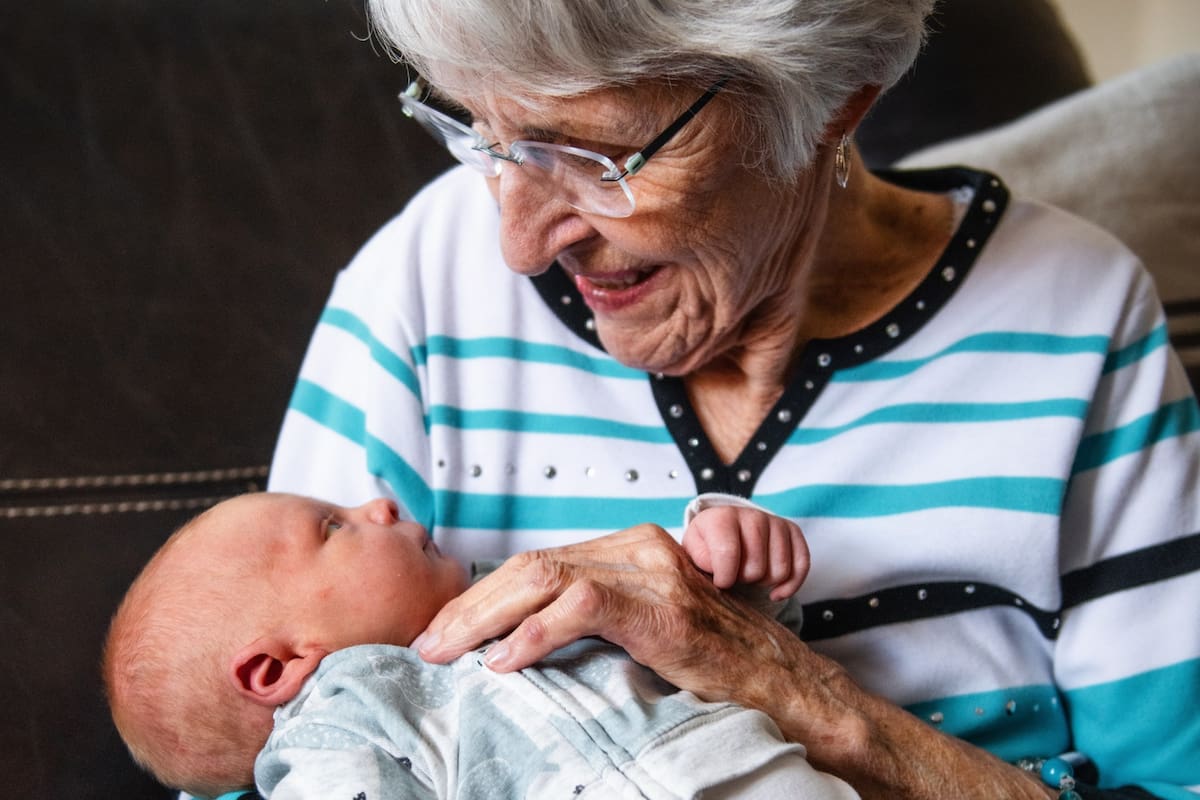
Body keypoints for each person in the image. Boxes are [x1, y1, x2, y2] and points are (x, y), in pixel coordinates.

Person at [266, 1, 1200, 797]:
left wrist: (792, 693)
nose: (518, 242)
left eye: (597, 157)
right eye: (482, 133)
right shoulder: (428, 282)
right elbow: (247, 740)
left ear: (837, 98)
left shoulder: (1074, 315)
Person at [104, 490, 858, 799]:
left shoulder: (536, 589)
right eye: (333, 527)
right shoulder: (347, 719)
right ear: (280, 667)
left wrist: (735, 561)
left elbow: (736, 651)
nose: (379, 503)